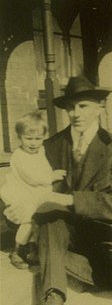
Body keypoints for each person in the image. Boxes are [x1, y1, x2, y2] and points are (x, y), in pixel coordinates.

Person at [4, 76, 112, 305]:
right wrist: (14, 211)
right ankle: (53, 296)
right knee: (49, 216)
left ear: (100, 107)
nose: (76, 113)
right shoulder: (52, 145)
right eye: (71, 107)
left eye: (83, 106)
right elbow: (26, 182)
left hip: (106, 231)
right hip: (64, 234)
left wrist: (65, 198)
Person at [1, 111, 66, 269]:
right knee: (29, 220)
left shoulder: (41, 151)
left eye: (38, 139)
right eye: (28, 139)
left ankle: (32, 249)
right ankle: (18, 249)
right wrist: (52, 176)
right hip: (23, 194)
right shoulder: (19, 155)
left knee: (40, 221)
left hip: (36, 194)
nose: (33, 143)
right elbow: (31, 176)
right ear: (19, 138)